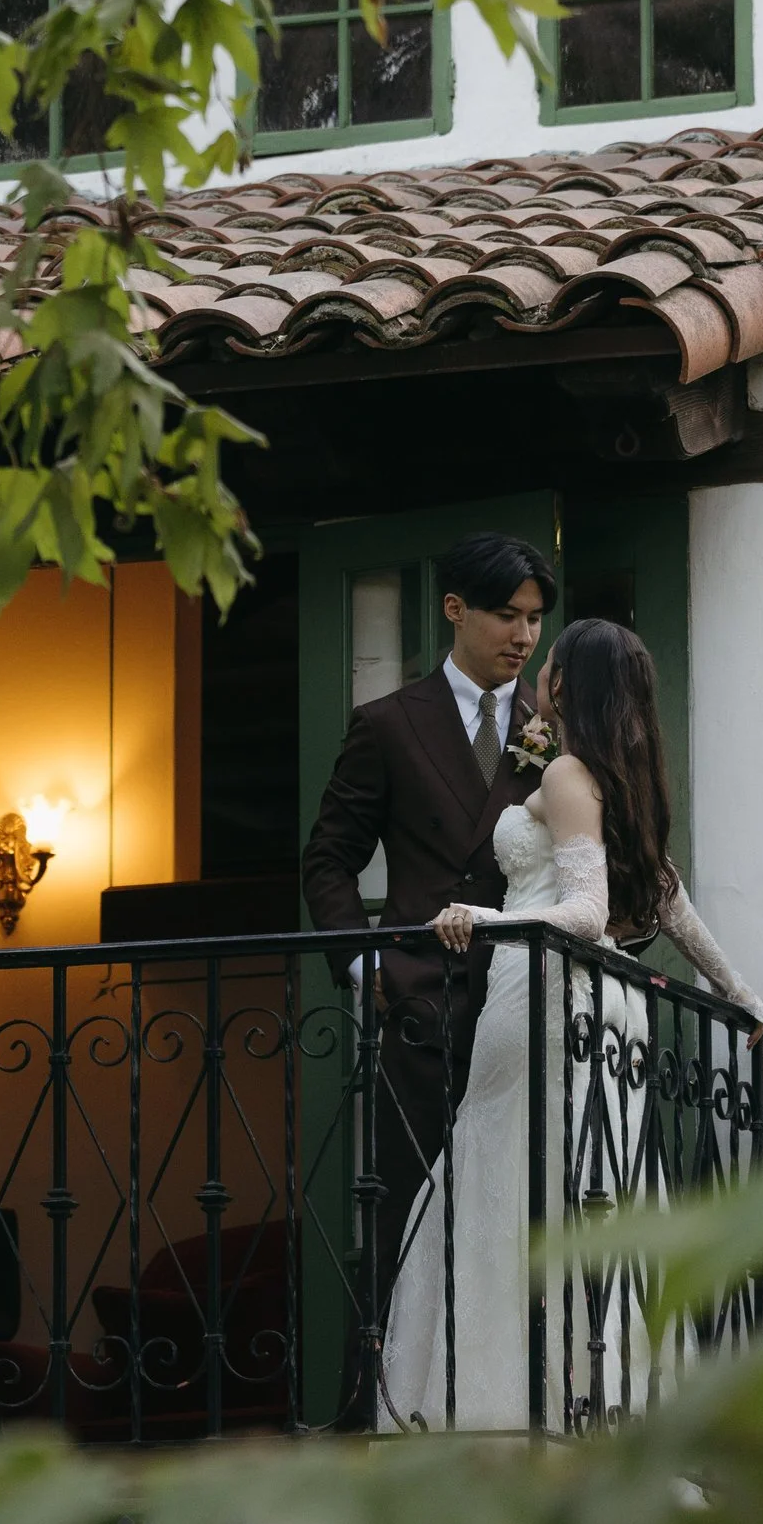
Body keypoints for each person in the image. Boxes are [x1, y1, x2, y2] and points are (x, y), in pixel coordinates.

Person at [376, 615, 763, 1436]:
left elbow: (588, 910)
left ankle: (504, 1410)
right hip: (595, 1009)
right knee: (582, 1189)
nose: (537, 660)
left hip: (548, 993)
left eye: (550, 656)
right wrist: (739, 992)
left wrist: (481, 918)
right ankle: (586, 1403)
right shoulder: (610, 775)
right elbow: (666, 897)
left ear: (564, 685)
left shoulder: (569, 773)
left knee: (517, 1179)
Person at [301, 532, 561, 1413]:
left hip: (526, 1008)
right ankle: (366, 1422)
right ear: (455, 609)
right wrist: (363, 959)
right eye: (506, 615)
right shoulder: (388, 722)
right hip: (421, 1010)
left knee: (521, 1215)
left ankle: (508, 1410)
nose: (524, 636)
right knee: (402, 1220)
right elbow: (328, 860)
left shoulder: (553, 731)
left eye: (534, 619)